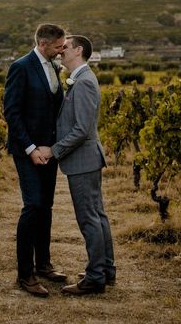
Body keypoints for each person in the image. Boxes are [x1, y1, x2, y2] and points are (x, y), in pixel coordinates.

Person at [39, 35, 116, 295]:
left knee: (89, 219)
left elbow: (82, 129)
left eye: (66, 47)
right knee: (98, 216)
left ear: (79, 50)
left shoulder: (83, 83)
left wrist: (54, 150)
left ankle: (95, 278)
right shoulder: (82, 79)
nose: (61, 51)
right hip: (87, 158)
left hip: (82, 159)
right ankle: (105, 269)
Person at [3, 23, 68, 297]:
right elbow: (12, 112)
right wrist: (31, 148)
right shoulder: (21, 67)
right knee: (33, 206)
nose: (61, 51)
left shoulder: (53, 67)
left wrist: (52, 147)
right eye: (58, 47)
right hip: (28, 151)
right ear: (43, 44)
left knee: (47, 207)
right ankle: (25, 274)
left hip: (48, 150)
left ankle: (43, 264)